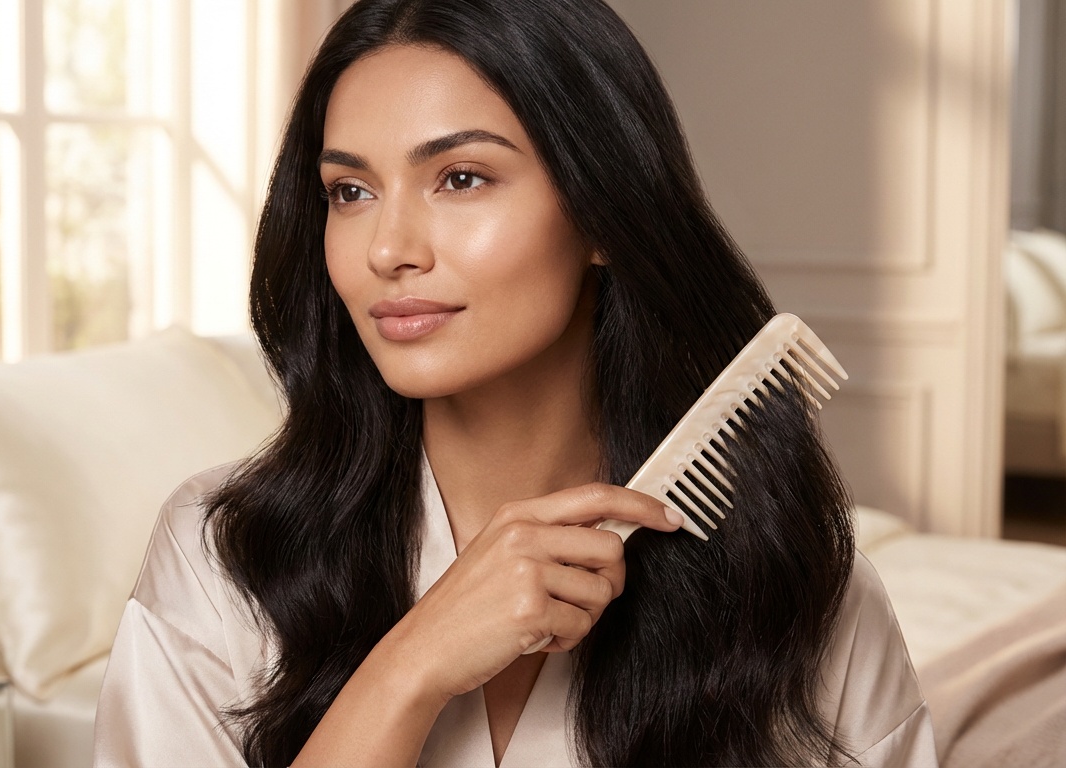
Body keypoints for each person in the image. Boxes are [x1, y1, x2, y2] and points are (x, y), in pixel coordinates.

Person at [94, 1, 937, 765]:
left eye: (460, 178)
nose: (387, 248)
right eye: (349, 191)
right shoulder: (222, 561)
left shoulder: (794, 587)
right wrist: (411, 668)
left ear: (604, 212)